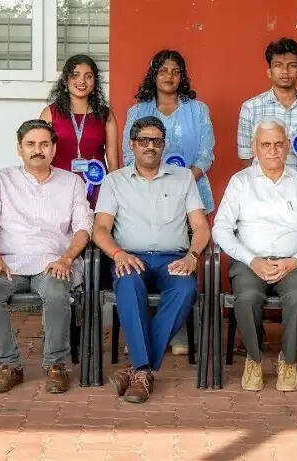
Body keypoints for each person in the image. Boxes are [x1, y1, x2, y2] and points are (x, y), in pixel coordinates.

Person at [94, 116, 212, 404]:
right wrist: (118, 254)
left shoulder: (183, 178)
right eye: (144, 140)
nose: (150, 146)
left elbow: (201, 226)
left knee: (185, 289)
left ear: (163, 145)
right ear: (132, 144)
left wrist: (192, 257)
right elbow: (100, 229)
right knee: (129, 284)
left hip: (173, 258)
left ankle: (136, 368)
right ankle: (144, 371)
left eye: (156, 141)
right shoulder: (114, 181)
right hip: (130, 257)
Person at [214, 118, 297, 393]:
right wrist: (250, 259)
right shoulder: (240, 182)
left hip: (291, 262)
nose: (272, 150)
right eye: (265, 144)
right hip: (249, 263)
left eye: (279, 144)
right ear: (255, 148)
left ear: (288, 147)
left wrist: (296, 260)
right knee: (247, 297)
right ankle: (254, 360)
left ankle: (288, 360)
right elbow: (220, 229)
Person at [0, 119, 92, 394]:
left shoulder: (72, 182)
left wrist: (67, 258)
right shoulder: (1, 180)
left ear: (53, 149)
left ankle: (56, 365)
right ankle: (10, 365)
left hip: (54, 262)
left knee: (56, 292)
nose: (37, 150)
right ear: (19, 149)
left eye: (43, 144)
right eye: (30, 144)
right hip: (8, 263)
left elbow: (84, 228)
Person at [123, 49, 216, 357]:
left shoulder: (197, 109)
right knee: (146, 257)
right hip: (143, 194)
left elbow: (206, 153)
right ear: (154, 73)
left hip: (190, 192)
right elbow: (127, 156)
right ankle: (151, 331)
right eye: (163, 70)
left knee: (181, 260)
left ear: (182, 75)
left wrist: (181, 180)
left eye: (175, 71)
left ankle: (174, 332)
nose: (169, 75)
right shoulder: (138, 111)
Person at [236, 38, 297, 174]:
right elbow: (246, 156)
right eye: (278, 65)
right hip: (261, 190)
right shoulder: (250, 108)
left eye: (292, 65)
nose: (285, 71)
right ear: (269, 71)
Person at [40, 54, 119, 202]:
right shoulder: (50, 113)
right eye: (75, 75)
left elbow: (114, 163)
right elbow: (41, 153)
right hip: (58, 187)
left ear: (95, 82)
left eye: (88, 76)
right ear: (66, 80)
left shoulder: (105, 115)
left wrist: (113, 195)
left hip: (96, 186)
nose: (81, 81)